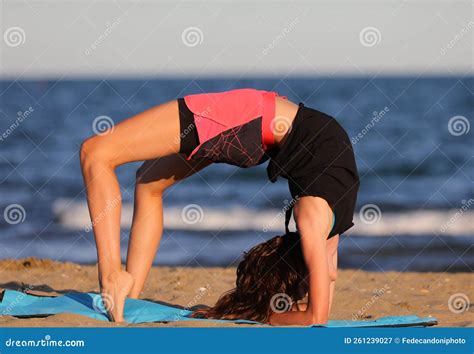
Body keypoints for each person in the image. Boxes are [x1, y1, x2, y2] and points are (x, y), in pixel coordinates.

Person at [79, 88, 359, 324]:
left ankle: (113, 275)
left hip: (249, 119)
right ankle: (129, 300)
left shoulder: (312, 219)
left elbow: (317, 318)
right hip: (258, 134)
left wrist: (268, 316)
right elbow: (327, 283)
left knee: (95, 153)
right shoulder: (322, 235)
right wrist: (272, 312)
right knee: (148, 183)